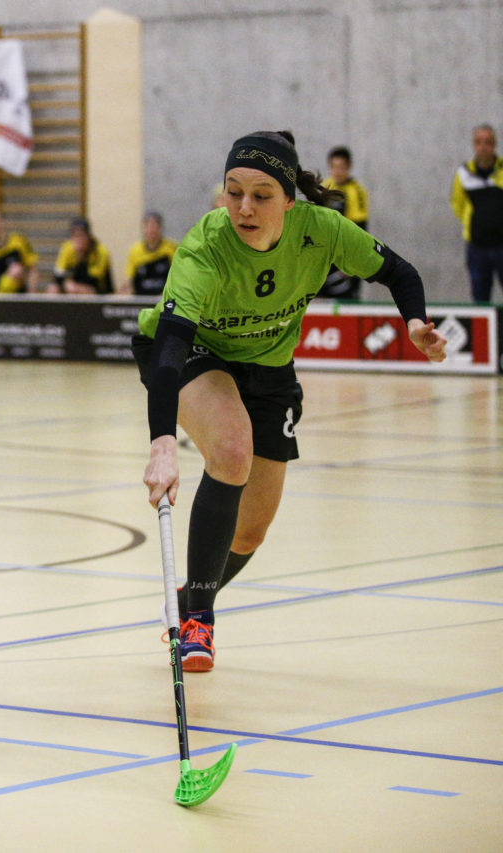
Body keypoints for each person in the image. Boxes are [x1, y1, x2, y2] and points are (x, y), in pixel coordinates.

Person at [135, 129, 447, 672]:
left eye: (260, 195)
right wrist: (163, 441)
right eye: (233, 192)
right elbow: (171, 346)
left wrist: (415, 322)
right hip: (193, 353)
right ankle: (197, 624)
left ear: (289, 199)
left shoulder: (321, 232)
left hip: (270, 367)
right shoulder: (204, 246)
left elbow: (399, 271)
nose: (243, 208)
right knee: (231, 452)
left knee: (253, 527)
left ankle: (188, 598)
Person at [450, 124, 503, 303]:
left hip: (502, 245)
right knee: (480, 297)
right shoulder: (464, 173)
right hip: (477, 247)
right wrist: (471, 222)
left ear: (494, 145)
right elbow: (457, 204)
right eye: (479, 142)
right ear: (474, 145)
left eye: (487, 142)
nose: (483, 147)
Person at [319, 146, 370, 299]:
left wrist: (351, 261)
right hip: (326, 254)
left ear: (348, 167)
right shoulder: (324, 187)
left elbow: (360, 229)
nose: (337, 172)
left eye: (341, 168)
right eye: (334, 167)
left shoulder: (357, 192)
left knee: (347, 297)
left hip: (346, 255)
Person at [51, 215, 112, 295]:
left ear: (88, 236)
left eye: (81, 235)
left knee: (77, 289)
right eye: (75, 236)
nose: (78, 240)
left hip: (98, 290)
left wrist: (80, 257)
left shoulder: (101, 252)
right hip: (74, 285)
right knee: (52, 288)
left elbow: (94, 279)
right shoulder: (67, 248)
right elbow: (58, 274)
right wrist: (66, 282)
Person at [122, 211, 176, 296]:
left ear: (160, 228)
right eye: (147, 226)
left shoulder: (171, 248)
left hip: (164, 298)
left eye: (155, 226)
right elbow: (129, 279)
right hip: (141, 298)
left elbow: (178, 276)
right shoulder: (135, 250)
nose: (151, 230)